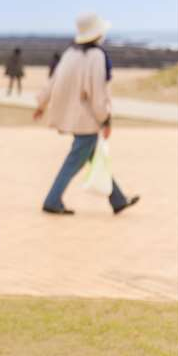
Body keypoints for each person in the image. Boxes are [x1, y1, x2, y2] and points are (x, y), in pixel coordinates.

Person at [33, 12, 140, 216]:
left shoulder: (70, 53)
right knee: (74, 160)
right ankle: (52, 200)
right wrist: (105, 118)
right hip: (87, 119)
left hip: (74, 118)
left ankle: (118, 200)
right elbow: (97, 92)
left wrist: (41, 105)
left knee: (93, 155)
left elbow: (53, 82)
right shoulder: (96, 56)